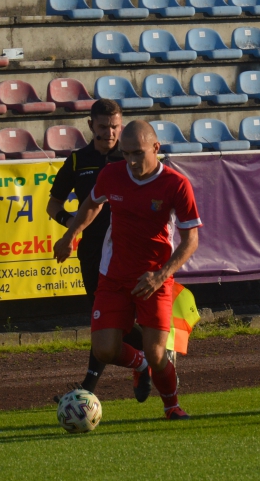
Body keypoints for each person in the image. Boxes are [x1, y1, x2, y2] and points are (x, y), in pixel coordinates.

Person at [53, 120, 201, 420]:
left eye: (138, 153)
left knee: (159, 354)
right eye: (126, 153)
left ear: (156, 148)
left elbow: (191, 241)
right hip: (113, 275)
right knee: (105, 349)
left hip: (154, 280)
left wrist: (160, 275)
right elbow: (92, 205)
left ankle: (171, 405)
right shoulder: (112, 174)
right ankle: (140, 364)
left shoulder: (176, 184)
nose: (131, 161)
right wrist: (69, 236)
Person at [47, 100, 149, 403]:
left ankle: (90, 389)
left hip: (128, 251)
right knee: (105, 319)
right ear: (91, 125)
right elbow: (52, 206)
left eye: (115, 126)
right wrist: (75, 227)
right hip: (92, 252)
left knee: (109, 321)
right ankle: (154, 358)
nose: (110, 132)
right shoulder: (79, 161)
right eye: (103, 127)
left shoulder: (130, 158)